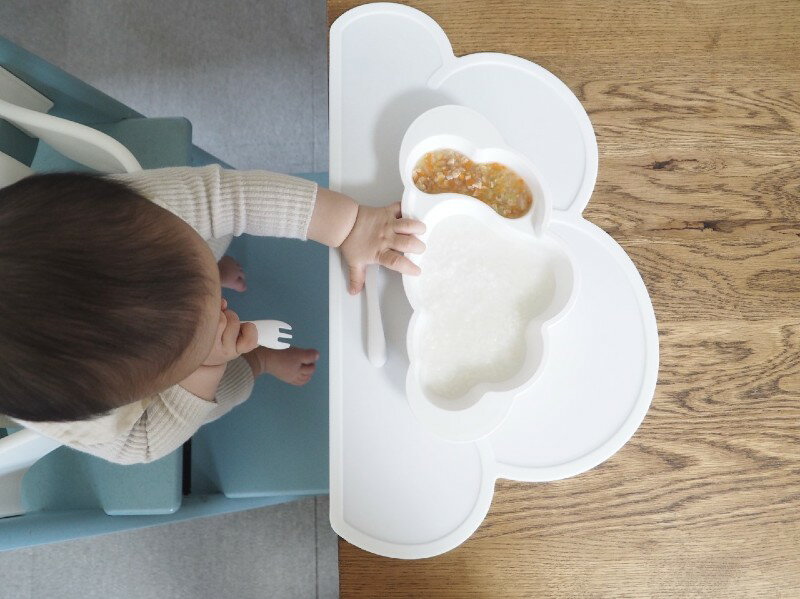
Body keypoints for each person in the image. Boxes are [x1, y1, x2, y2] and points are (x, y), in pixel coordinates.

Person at [0, 165, 425, 464]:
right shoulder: (94, 420)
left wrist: (351, 226)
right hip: (146, 405)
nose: (225, 309)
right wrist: (208, 365)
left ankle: (203, 270)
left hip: (170, 238)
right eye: (202, 328)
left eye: (206, 292)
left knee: (208, 225)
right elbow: (145, 443)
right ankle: (257, 361)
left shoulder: (133, 218)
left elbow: (233, 197)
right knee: (215, 393)